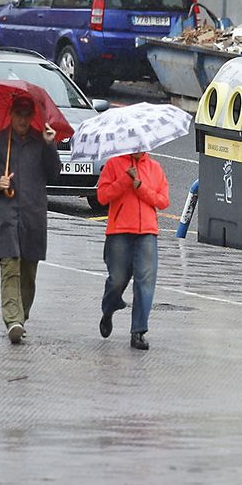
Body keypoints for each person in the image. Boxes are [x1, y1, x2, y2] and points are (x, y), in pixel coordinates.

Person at [0, 97, 60, 344]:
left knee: (28, 274)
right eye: (18, 114)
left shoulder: (40, 141)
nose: (22, 119)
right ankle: (13, 320)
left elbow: (54, 172)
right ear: (10, 114)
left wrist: (50, 145)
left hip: (33, 218)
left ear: (32, 116)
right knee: (10, 268)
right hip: (7, 217)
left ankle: (21, 317)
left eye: (26, 114)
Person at [95, 150, 171, 351]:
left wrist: (140, 187)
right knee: (117, 279)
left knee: (145, 282)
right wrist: (124, 181)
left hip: (147, 231)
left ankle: (138, 331)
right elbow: (102, 197)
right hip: (119, 231)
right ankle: (109, 308)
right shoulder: (113, 165)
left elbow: (163, 201)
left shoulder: (154, 167)